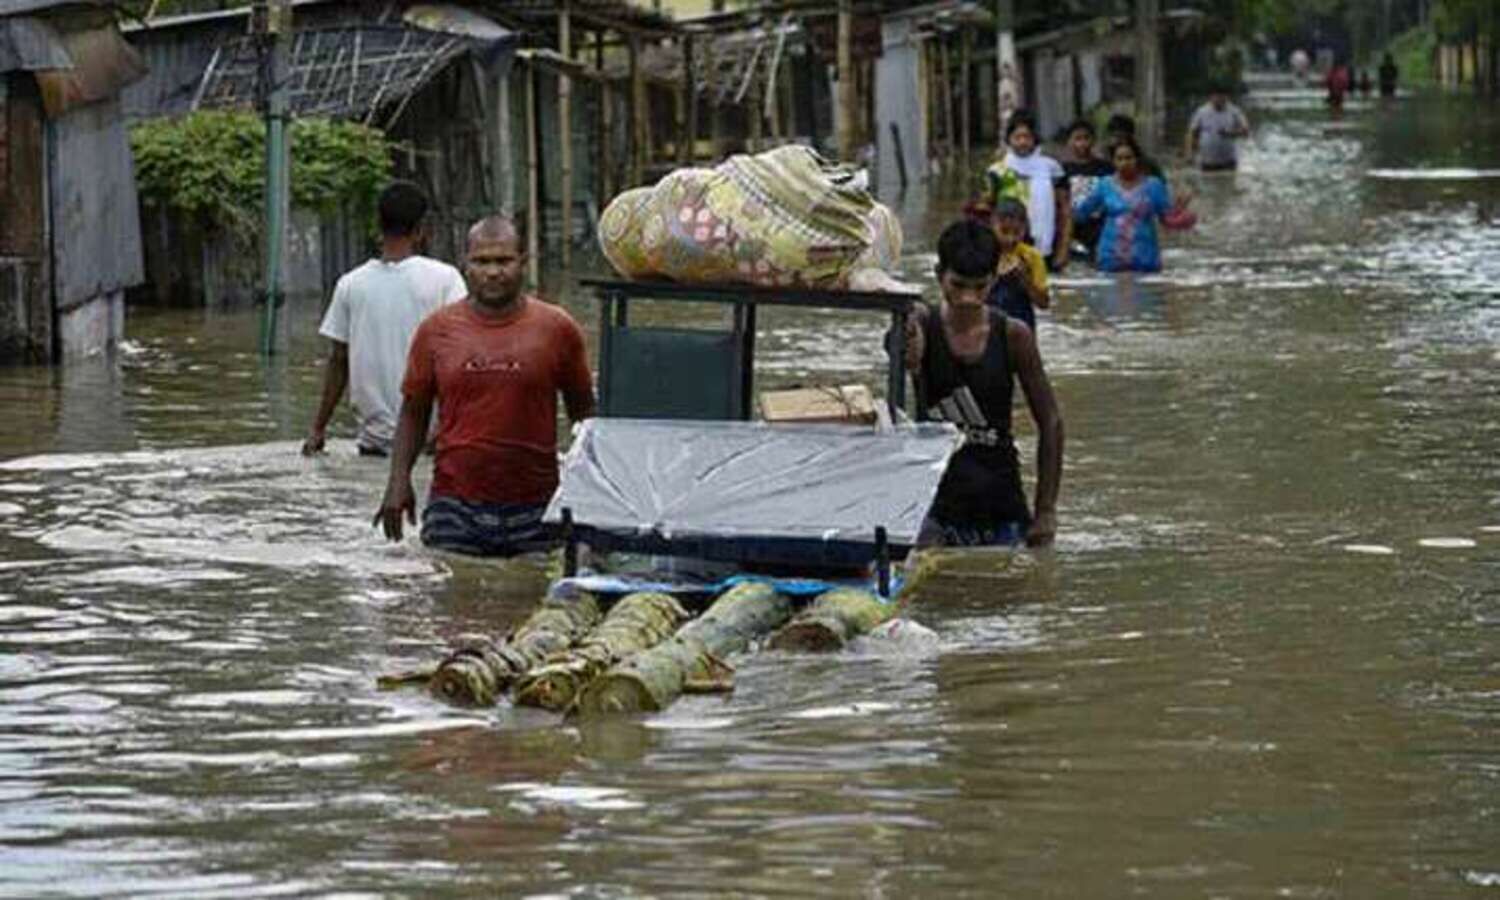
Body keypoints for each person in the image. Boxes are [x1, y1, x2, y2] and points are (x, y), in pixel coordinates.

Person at [374, 216, 596, 556]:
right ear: (465, 265)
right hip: (454, 504)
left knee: (530, 599)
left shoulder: (557, 328)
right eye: (482, 261)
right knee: (451, 599)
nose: (493, 272)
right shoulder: (436, 330)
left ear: (523, 262)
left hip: (538, 505)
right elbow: (414, 411)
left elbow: (585, 415)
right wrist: (397, 482)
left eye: (503, 261)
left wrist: (591, 491)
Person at [897, 219, 1062, 548]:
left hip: (1000, 501)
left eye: (979, 287)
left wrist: (1045, 511)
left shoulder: (1014, 335)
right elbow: (901, 345)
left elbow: (1051, 421)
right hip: (935, 505)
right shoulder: (921, 324)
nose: (968, 298)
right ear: (938, 275)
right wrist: (906, 345)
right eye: (957, 285)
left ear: (994, 278)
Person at [303, 182, 467, 457]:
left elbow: (338, 362)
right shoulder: (445, 279)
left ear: (378, 226)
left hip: (373, 445)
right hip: (430, 446)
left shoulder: (350, 285)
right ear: (421, 229)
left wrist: (318, 428)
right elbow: (462, 358)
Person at [978, 109, 1072, 272]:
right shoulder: (997, 171)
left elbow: (1065, 210)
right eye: (1017, 137)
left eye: (1027, 137)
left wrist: (1063, 250)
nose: (1022, 142)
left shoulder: (1052, 168)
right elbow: (986, 210)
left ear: (1035, 139)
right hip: (1006, 244)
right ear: (1009, 139)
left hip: (1044, 246)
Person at [1074, 135, 1175, 273]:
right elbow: (1081, 214)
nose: (1124, 163)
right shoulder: (1104, 185)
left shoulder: (1154, 186)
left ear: (1137, 159)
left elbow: (1168, 219)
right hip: (1110, 259)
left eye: (1129, 158)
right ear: (1113, 162)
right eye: (1119, 159)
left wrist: (1181, 213)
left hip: (1145, 259)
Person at [985, 198, 1051, 334]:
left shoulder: (1032, 257)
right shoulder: (983, 252)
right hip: (987, 325)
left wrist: (1025, 279)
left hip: (1023, 325)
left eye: (1017, 232)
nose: (1010, 239)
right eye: (1004, 231)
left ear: (1025, 229)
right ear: (992, 225)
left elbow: (1044, 303)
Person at [1060, 118, 1115, 258]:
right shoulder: (1063, 170)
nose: (1082, 143)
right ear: (1069, 142)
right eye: (1077, 139)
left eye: (1086, 138)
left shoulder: (1106, 168)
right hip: (1073, 228)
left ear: (1093, 140)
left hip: (1100, 227)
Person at [1184, 85, 1251, 172]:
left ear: (1227, 97)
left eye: (1223, 96)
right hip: (1207, 161)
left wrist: (1230, 133)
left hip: (1229, 161)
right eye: (1217, 96)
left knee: (1228, 184)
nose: (1220, 99)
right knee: (1207, 184)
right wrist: (1189, 154)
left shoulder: (1235, 111)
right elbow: (1191, 133)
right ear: (1211, 97)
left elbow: (1246, 131)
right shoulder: (1202, 112)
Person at [1104, 114, 1167, 182]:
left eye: (1124, 137)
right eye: (1116, 137)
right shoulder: (1103, 164)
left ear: (1132, 138)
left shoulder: (1146, 165)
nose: (1121, 142)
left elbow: (1161, 187)